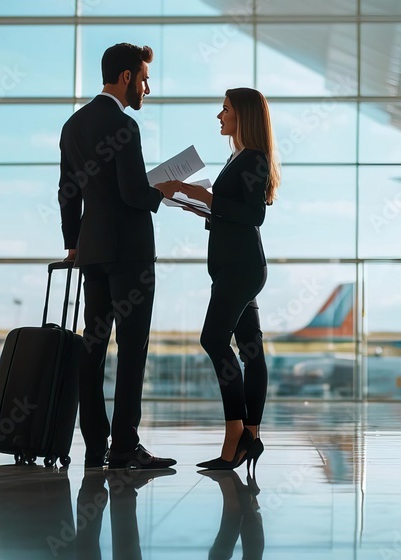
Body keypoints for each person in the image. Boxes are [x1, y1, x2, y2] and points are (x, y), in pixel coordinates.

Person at [59, 42, 181, 470]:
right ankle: (125, 446)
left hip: (92, 252)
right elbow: (133, 193)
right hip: (129, 253)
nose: (147, 87)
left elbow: (67, 191)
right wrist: (161, 192)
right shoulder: (125, 127)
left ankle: (95, 445)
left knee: (93, 347)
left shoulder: (73, 126)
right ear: (126, 77)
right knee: (131, 347)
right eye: (144, 78)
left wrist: (73, 242)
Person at [156, 87, 280, 471]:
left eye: (224, 109)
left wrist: (202, 196)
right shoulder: (238, 156)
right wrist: (202, 208)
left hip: (241, 268)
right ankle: (252, 437)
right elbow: (236, 212)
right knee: (250, 349)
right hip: (234, 265)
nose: (219, 115)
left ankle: (235, 432)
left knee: (213, 339)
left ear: (242, 115)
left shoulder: (254, 158)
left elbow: (255, 215)